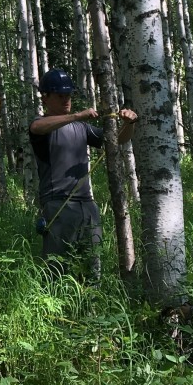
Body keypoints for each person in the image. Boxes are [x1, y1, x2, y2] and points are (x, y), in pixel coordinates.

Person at [29, 68, 138, 277]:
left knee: (92, 264)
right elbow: (37, 127)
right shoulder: (42, 124)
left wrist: (129, 124)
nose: (66, 100)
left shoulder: (81, 127)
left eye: (68, 95)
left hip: (87, 205)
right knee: (57, 268)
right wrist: (77, 115)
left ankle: (91, 304)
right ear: (46, 98)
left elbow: (116, 141)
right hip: (57, 204)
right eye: (60, 96)